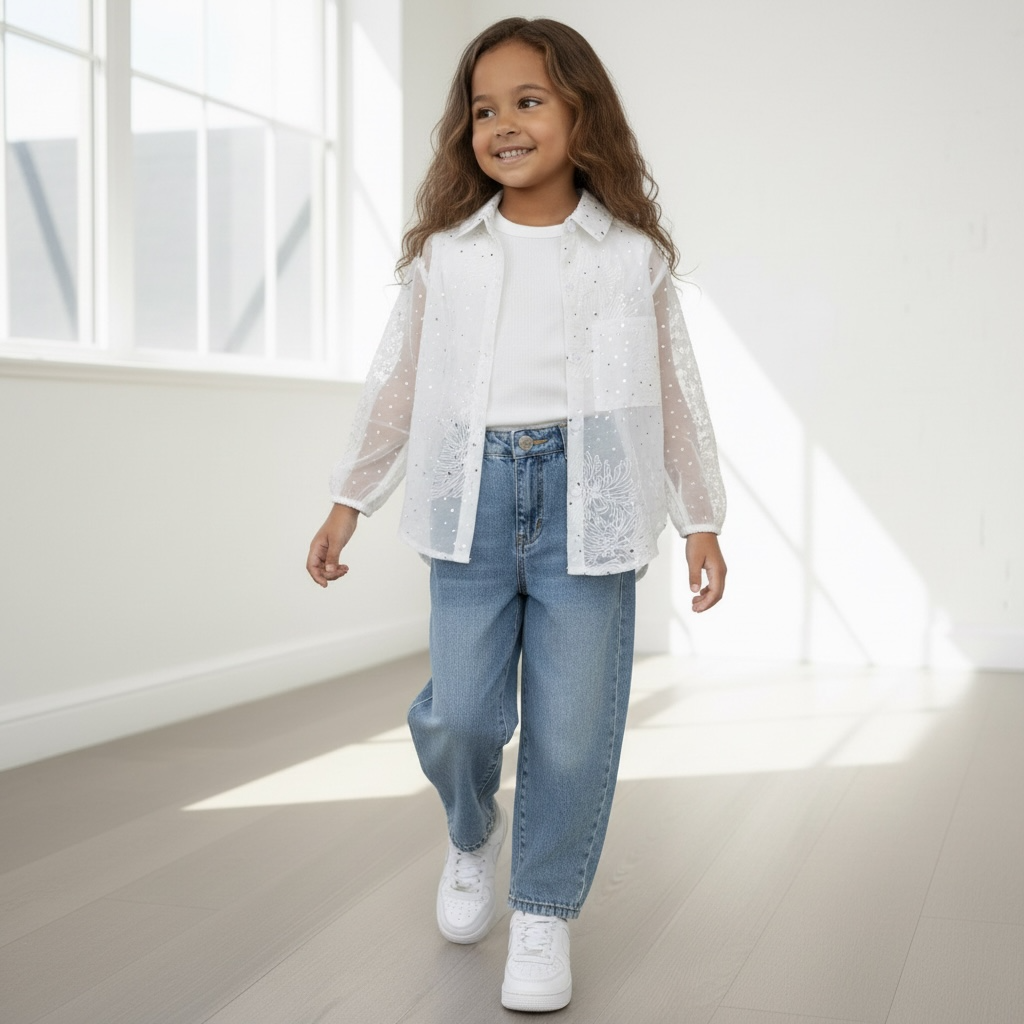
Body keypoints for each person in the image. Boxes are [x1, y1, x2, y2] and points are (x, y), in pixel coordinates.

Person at [306, 17, 727, 1013]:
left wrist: (699, 517)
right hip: (473, 504)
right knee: (459, 716)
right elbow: (396, 385)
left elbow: (674, 394)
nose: (502, 124)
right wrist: (348, 499)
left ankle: (541, 909)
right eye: (483, 109)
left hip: (594, 500)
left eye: (527, 102)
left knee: (573, 732)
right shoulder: (445, 256)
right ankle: (471, 833)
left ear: (583, 116)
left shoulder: (630, 257)